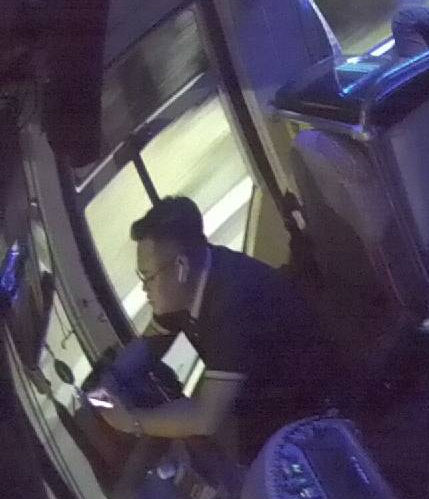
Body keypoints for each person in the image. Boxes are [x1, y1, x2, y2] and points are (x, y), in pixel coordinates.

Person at [90, 196, 343, 466]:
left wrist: (132, 422)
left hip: (314, 410)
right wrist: (109, 382)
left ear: (181, 268)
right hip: (268, 400)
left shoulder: (232, 301)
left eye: (148, 277)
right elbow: (149, 344)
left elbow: (205, 417)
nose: (144, 288)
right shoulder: (189, 284)